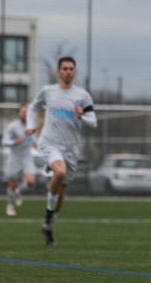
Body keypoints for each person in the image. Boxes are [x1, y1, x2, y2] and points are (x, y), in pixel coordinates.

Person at [26, 56, 97, 246]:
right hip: (49, 143)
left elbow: (93, 121)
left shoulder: (82, 95)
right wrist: (31, 125)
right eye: (64, 68)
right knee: (60, 171)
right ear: (59, 71)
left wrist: (81, 116)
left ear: (75, 72)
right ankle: (49, 214)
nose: (68, 71)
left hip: (71, 148)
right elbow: (33, 107)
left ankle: (48, 228)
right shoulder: (48, 91)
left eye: (71, 68)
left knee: (62, 191)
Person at [2, 104, 37, 216]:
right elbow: (4, 141)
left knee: (31, 182)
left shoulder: (31, 126)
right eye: (23, 112)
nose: (25, 114)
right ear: (18, 113)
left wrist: (35, 141)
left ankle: (18, 191)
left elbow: (33, 140)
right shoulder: (13, 126)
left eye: (27, 112)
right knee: (12, 184)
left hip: (27, 156)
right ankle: (10, 205)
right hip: (15, 157)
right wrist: (14, 142)